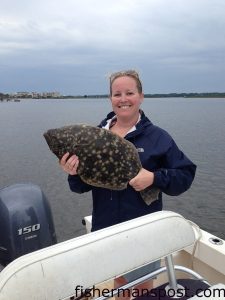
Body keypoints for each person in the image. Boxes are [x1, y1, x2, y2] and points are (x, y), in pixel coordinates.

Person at [60, 70, 196, 298]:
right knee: (119, 284)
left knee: (142, 288)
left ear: (141, 96)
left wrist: (153, 178)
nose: (123, 99)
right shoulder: (94, 137)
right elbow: (80, 187)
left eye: (129, 93)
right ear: (110, 98)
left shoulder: (158, 138)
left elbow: (185, 176)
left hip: (144, 233)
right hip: (106, 230)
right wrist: (72, 172)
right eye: (117, 94)